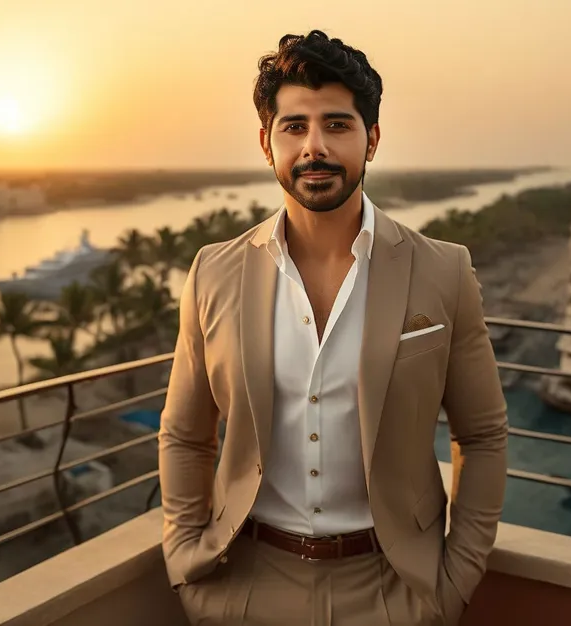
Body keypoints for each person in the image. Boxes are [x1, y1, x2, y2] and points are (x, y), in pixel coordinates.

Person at [159, 29, 508, 626]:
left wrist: (454, 582)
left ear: (371, 139)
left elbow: (482, 436)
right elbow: (186, 434)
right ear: (267, 143)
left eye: (337, 125)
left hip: (394, 588)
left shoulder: (443, 269)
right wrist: (186, 560)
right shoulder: (213, 271)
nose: (314, 147)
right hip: (244, 585)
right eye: (294, 126)